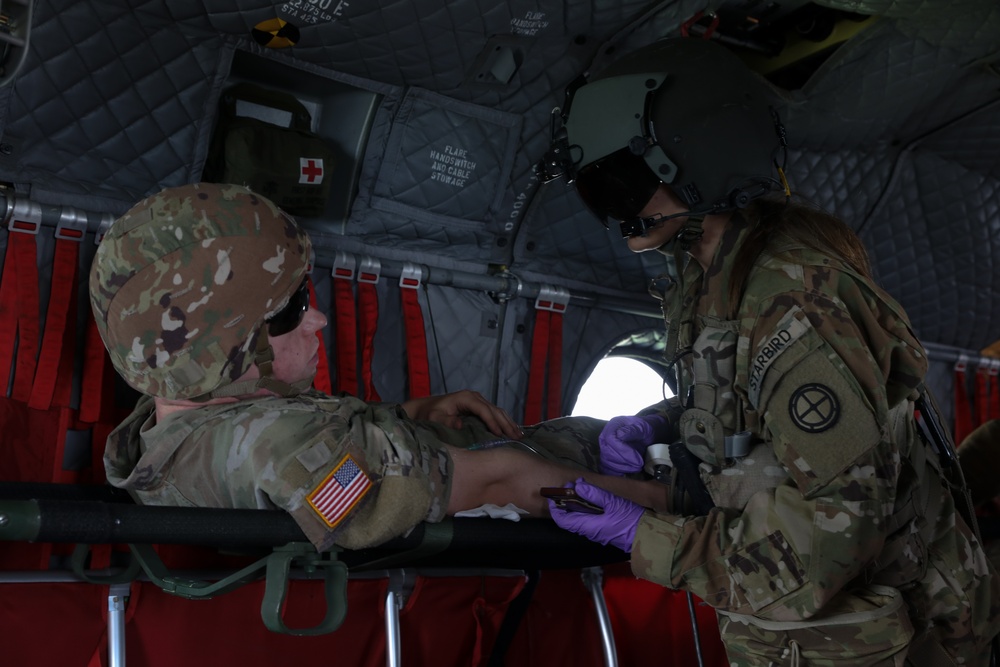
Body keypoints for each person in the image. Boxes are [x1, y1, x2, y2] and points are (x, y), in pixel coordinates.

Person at [545, 37, 1000, 665]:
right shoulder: (710, 280)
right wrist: (665, 420)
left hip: (899, 636)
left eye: (625, 182)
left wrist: (643, 538)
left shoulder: (790, 303)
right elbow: (755, 411)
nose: (614, 209)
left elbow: (835, 536)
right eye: (598, 188)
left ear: (698, 164)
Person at [89, 182, 667, 551]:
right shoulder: (280, 452)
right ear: (224, 350)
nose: (317, 322)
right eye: (290, 312)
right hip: (595, 472)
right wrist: (663, 506)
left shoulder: (162, 434)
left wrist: (409, 414)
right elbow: (505, 476)